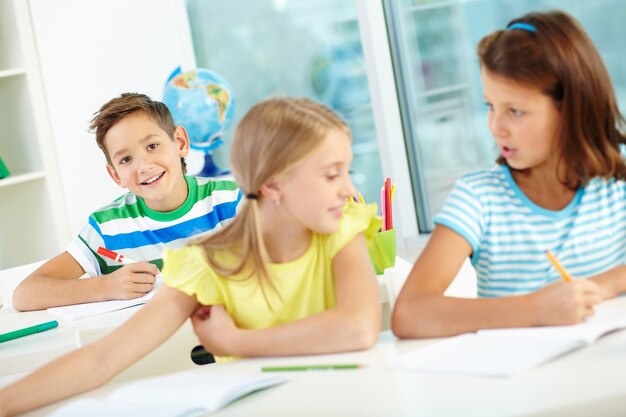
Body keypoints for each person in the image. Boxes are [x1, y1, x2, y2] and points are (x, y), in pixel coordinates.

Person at [0, 97, 381, 416]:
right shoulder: (204, 263)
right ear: (273, 183)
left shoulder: (343, 230)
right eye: (332, 175)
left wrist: (235, 342)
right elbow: (103, 360)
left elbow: (357, 328)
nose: (349, 189)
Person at [392, 10, 626, 339]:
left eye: (515, 111)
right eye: (490, 105)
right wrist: (535, 309)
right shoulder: (479, 198)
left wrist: (603, 286)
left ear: (571, 108)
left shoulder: (617, 181)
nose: (496, 128)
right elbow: (410, 313)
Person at [12, 93, 241, 311]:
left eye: (152, 146)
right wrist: (106, 286)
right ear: (115, 175)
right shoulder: (108, 228)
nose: (143, 166)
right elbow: (25, 294)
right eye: (126, 159)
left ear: (179, 142)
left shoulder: (232, 202)